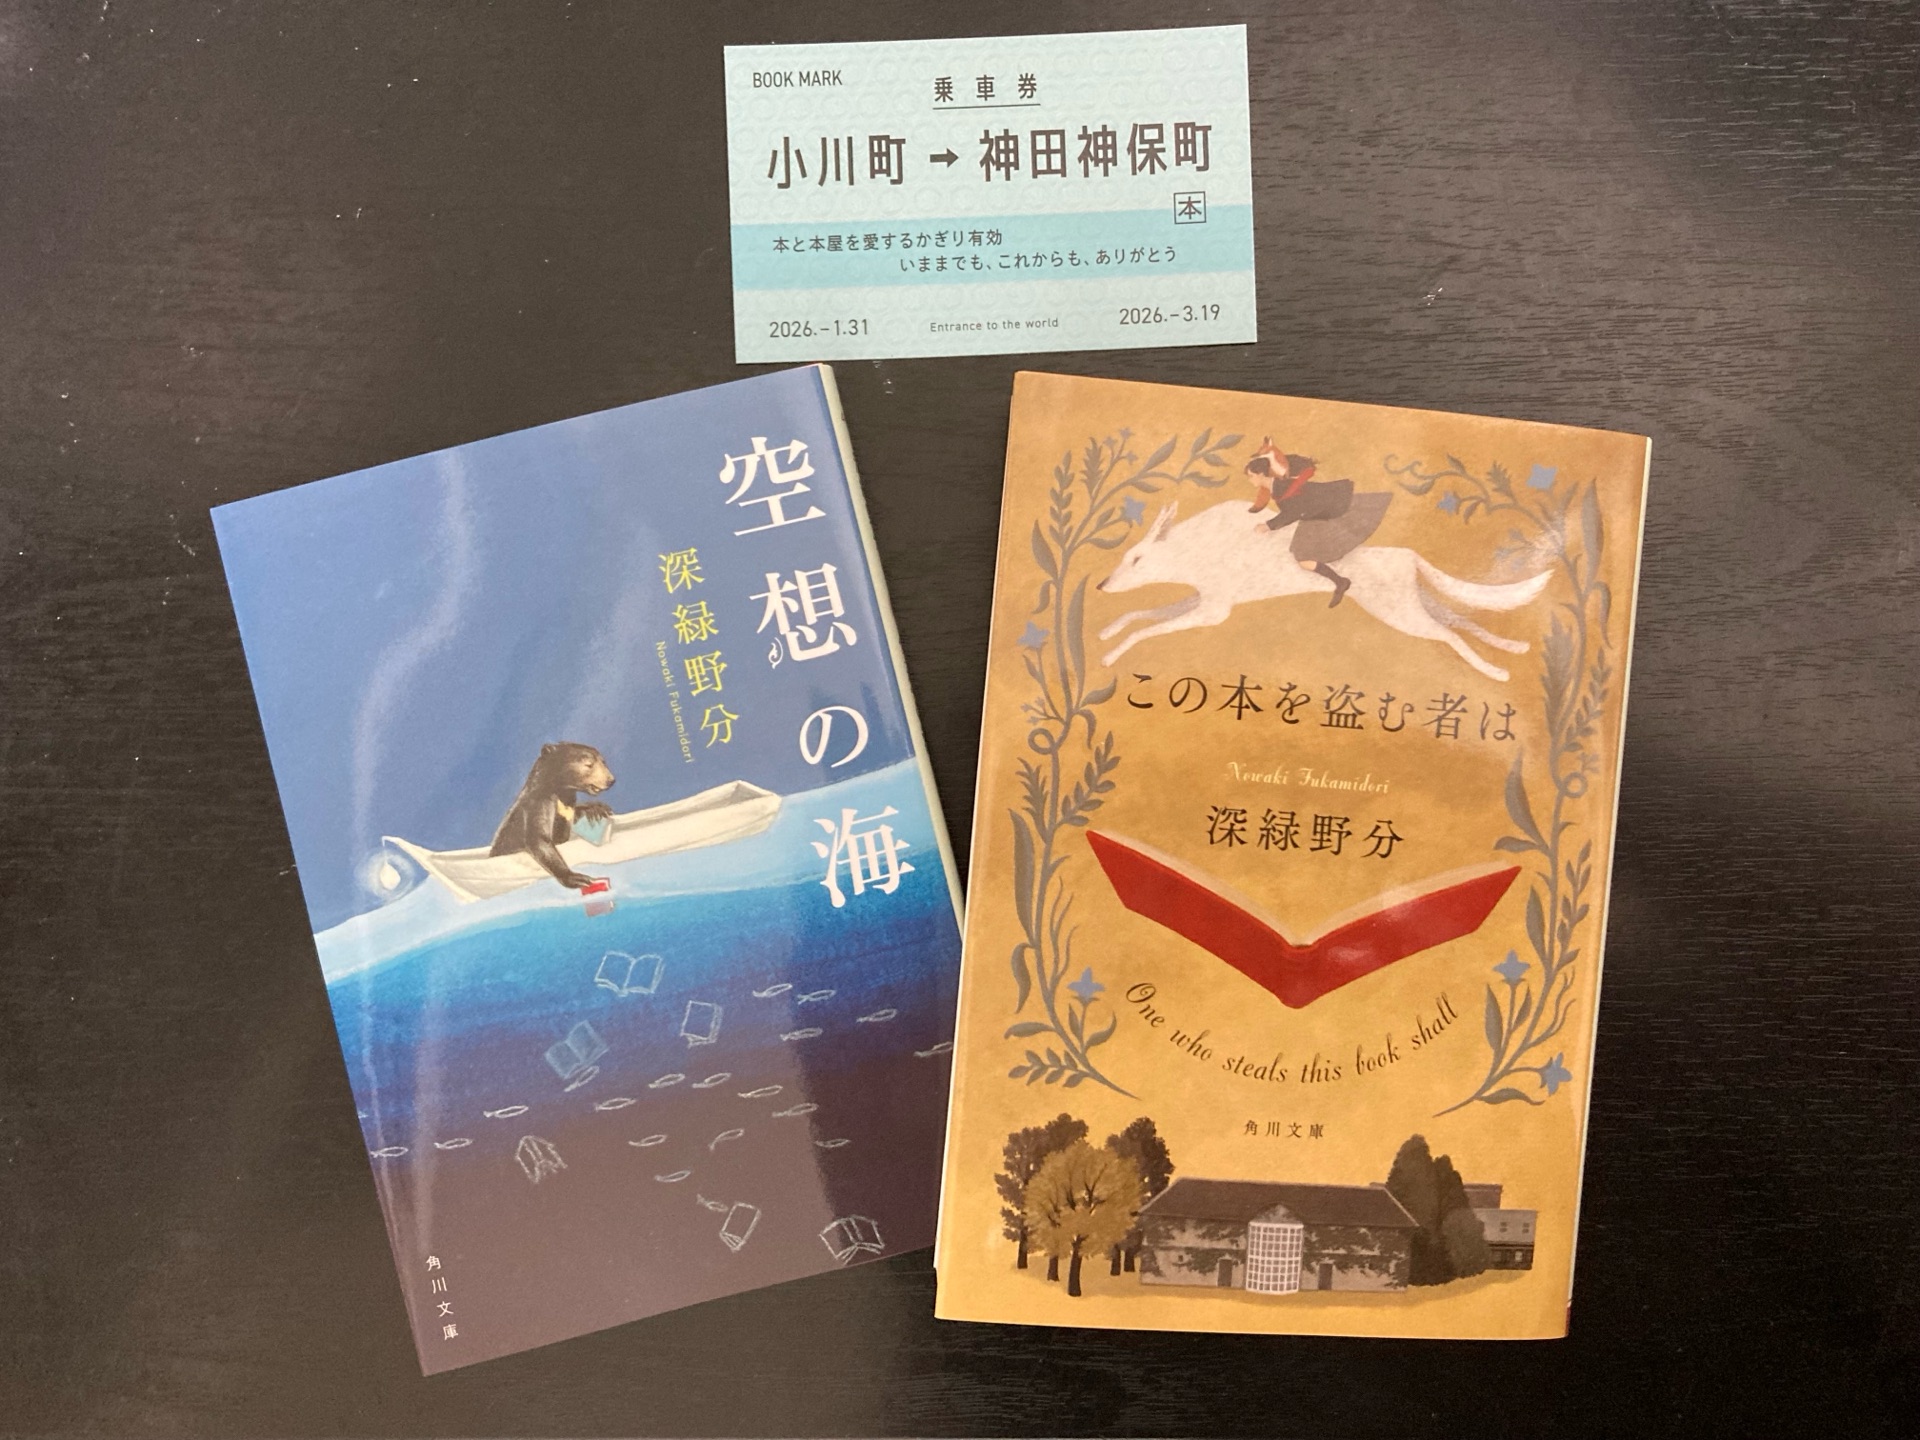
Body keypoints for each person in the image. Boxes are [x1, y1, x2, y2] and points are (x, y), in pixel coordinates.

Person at [1243, 439, 1391, 607]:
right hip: (1315, 514)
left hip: (1327, 511)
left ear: (1261, 474)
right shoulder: (1277, 486)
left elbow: (1293, 512)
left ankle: (1340, 581)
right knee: (1302, 555)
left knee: (1303, 557)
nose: (1250, 480)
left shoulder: (1281, 487)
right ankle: (1340, 581)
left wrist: (1268, 526)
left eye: (1251, 476)